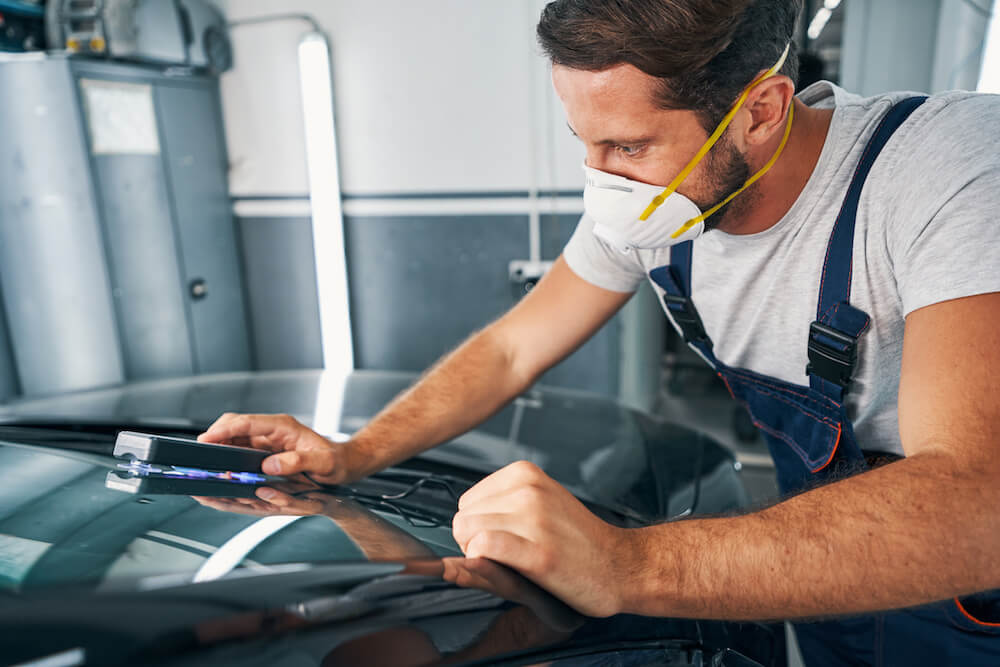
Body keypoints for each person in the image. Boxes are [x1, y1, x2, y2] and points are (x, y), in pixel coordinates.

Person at [198, 1, 1000, 664]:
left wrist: (626, 564)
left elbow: (978, 506)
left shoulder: (947, 167)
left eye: (626, 145)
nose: (600, 177)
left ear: (760, 112)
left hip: (969, 609)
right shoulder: (652, 204)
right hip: (817, 585)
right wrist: (354, 452)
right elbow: (513, 346)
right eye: (584, 142)